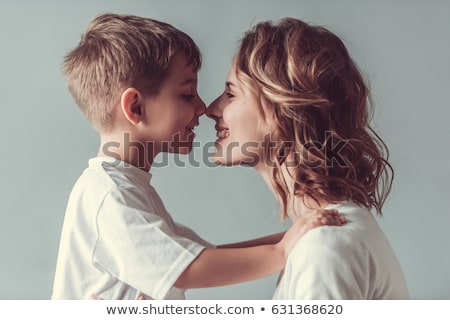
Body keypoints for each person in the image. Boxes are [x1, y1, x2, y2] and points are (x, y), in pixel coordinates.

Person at [52, 13, 345, 300]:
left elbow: (209, 256)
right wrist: (281, 252)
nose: (203, 107)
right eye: (187, 94)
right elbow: (188, 269)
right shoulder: (109, 195)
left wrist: (293, 235)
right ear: (136, 107)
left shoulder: (126, 190)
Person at [206, 17, 410, 299]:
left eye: (231, 93)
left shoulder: (326, 244)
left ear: (281, 109)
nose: (211, 109)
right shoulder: (317, 237)